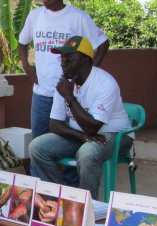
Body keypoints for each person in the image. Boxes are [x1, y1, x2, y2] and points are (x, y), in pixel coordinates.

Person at [28, 36, 133, 200]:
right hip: (83, 136)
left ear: (85, 60)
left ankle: (87, 208)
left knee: (87, 154)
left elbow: (93, 127)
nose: (63, 63)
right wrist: (83, 137)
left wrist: (69, 98)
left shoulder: (105, 83)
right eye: (62, 58)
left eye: (70, 59)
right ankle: (61, 200)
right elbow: (54, 125)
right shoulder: (64, 84)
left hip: (114, 135)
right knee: (37, 147)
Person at [18, 0, 109, 179]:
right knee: (37, 146)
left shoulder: (78, 17)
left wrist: (88, 74)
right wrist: (27, 67)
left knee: (73, 142)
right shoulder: (34, 16)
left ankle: (71, 192)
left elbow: (103, 44)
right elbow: (22, 43)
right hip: (42, 94)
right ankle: (42, 192)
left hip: (70, 94)